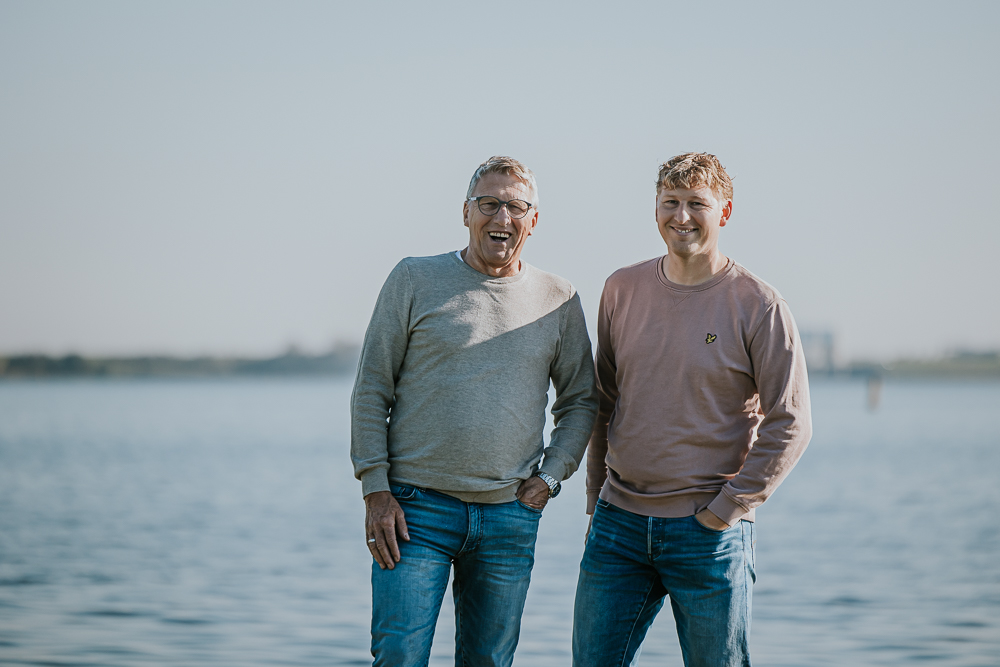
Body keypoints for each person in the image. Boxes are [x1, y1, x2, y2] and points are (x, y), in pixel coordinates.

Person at [351, 156, 598, 667]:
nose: (501, 218)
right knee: (399, 658)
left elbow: (580, 401)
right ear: (466, 213)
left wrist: (552, 478)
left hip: (509, 516)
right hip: (414, 512)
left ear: (533, 220)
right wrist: (375, 489)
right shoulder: (414, 278)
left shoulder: (559, 298)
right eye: (489, 205)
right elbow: (373, 388)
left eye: (515, 207)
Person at [572, 152, 812, 667]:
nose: (681, 216)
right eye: (671, 202)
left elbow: (791, 423)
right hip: (618, 527)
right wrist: (595, 499)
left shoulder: (759, 305)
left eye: (697, 204)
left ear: (724, 212)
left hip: (709, 533)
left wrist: (726, 509)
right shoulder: (620, 289)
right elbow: (604, 400)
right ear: (655, 208)